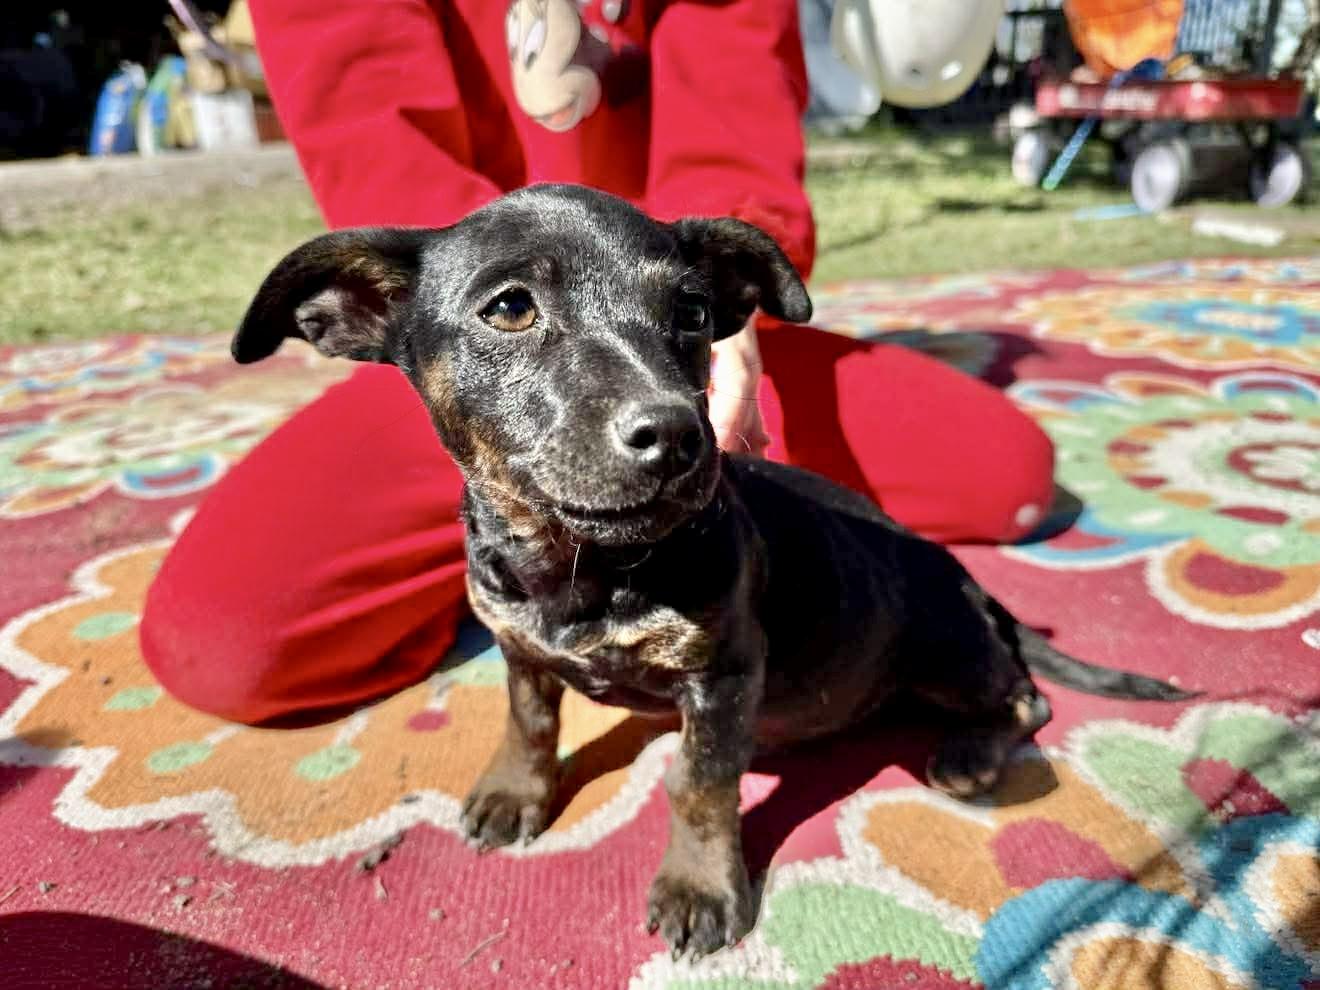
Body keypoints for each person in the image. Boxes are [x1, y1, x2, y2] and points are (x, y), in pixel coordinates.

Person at [140, 0, 1054, 725]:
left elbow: (733, 83)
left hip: (670, 332)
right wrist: (483, 304)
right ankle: (534, 582)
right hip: (480, 355)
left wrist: (716, 321)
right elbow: (369, 121)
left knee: (1008, 475)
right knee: (227, 645)